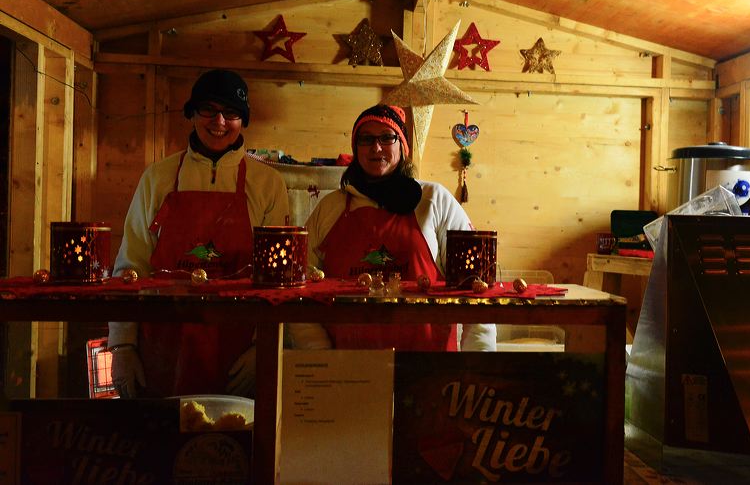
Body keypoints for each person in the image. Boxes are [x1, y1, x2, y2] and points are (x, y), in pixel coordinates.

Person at [108, 69, 289, 398]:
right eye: (209, 109)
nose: (219, 121)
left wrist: (264, 347)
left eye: (231, 112)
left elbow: (278, 279)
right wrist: (122, 347)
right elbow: (130, 267)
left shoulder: (267, 184)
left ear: (242, 120)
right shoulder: (157, 178)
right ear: (192, 113)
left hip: (238, 356)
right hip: (162, 350)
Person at [290, 104, 496, 351]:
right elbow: (297, 287)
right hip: (346, 373)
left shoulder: (435, 200)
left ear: (403, 146)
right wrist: (319, 356)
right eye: (366, 139)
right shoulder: (330, 208)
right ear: (356, 149)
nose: (376, 147)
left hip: (431, 373)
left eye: (387, 137)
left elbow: (478, 287)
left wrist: (475, 367)